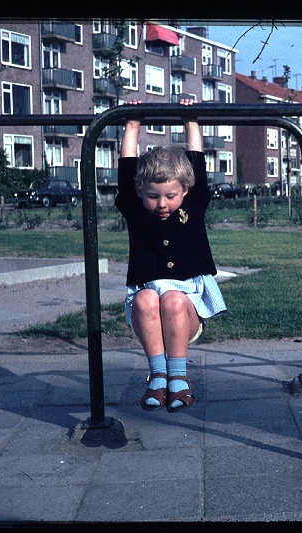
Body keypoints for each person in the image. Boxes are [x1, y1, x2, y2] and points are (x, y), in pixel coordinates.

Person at [116, 99, 227, 413]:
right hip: (148, 311)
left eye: (170, 195)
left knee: (174, 300)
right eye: (153, 196)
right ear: (140, 192)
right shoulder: (135, 208)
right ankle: (158, 375)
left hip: (185, 308)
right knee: (145, 298)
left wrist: (190, 120)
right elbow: (126, 171)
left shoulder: (195, 204)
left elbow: (197, 164)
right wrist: (132, 123)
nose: (162, 203)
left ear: (186, 191)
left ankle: (179, 376)